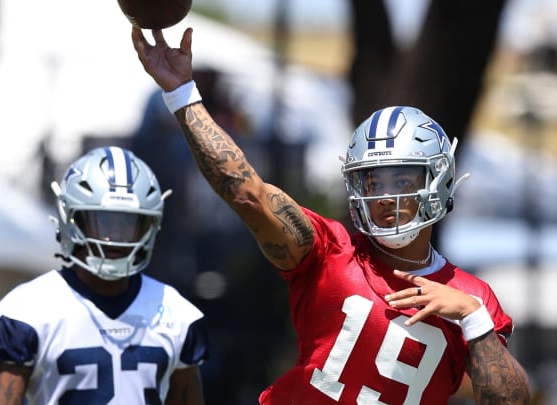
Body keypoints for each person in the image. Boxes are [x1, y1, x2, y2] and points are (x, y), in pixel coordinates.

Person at [130, 26, 531, 404]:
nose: (385, 196)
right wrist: (182, 94)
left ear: (438, 180)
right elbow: (247, 192)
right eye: (373, 182)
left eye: (401, 180)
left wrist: (473, 319)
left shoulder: (472, 298)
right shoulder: (329, 251)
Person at [0, 146, 210, 404]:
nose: (116, 237)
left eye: (129, 223)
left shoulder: (177, 314)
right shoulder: (26, 312)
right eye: (104, 222)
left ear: (149, 226)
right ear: (72, 220)